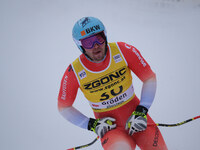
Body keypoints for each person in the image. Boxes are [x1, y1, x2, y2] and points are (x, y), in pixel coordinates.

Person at [58, 16, 168, 150]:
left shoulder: (123, 50)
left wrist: (142, 110)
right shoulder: (74, 70)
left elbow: (149, 78)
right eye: (88, 42)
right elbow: (64, 107)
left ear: (105, 36)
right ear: (80, 46)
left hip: (137, 118)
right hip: (110, 129)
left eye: (99, 38)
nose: (96, 46)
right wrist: (91, 124)